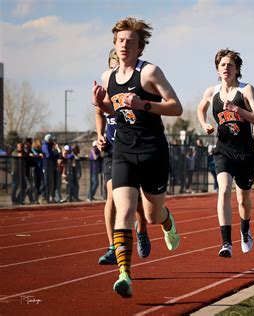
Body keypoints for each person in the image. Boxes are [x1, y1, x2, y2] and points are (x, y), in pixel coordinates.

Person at [92, 17, 182, 298]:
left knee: (153, 215)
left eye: (130, 41)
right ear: (115, 44)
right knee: (126, 211)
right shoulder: (108, 77)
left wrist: (144, 103)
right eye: (120, 41)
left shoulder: (150, 73)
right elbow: (114, 110)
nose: (124, 45)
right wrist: (101, 103)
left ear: (140, 46)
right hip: (123, 152)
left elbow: (176, 107)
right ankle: (124, 275)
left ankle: (167, 221)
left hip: (152, 150)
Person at [197, 48, 254, 258]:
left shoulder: (246, 90)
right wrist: (205, 124)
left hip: (245, 153)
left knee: (243, 200)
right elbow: (201, 109)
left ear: (237, 69)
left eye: (230, 65)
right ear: (217, 69)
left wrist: (239, 111)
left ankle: (245, 230)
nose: (226, 68)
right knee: (224, 189)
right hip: (223, 151)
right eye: (222, 65)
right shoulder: (212, 92)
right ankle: (226, 243)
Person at [96, 48, 152, 266]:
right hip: (113, 152)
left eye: (118, 65)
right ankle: (113, 247)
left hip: (134, 148)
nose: (115, 69)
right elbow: (99, 112)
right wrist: (100, 135)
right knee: (112, 196)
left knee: (137, 202)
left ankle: (142, 230)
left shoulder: (133, 88)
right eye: (112, 65)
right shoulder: (105, 89)